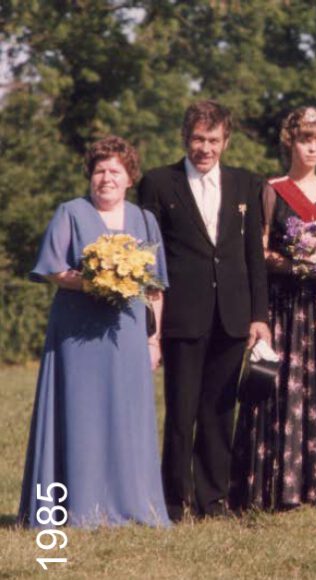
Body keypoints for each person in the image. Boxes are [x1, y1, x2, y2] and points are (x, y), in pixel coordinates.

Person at [18, 136, 170, 528]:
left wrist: (153, 340)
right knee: (80, 415)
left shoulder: (145, 220)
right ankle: (77, 506)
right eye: (100, 170)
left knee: (126, 416)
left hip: (128, 334)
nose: (106, 178)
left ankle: (132, 503)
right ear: (90, 175)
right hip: (77, 334)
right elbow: (53, 268)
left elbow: (155, 289)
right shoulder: (70, 212)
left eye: (115, 171)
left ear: (130, 178)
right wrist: (96, 281)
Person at [138, 100, 270, 520]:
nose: (205, 148)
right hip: (182, 315)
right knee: (181, 411)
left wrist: (259, 316)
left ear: (226, 141)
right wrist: (152, 322)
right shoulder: (159, 183)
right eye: (198, 139)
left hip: (232, 314)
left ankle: (213, 500)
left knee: (220, 411)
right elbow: (148, 258)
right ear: (185, 138)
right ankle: (174, 501)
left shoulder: (246, 183)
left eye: (213, 140)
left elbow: (254, 256)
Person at [230, 106, 316, 510]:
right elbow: (259, 249)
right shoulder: (271, 190)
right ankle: (278, 488)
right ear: (290, 142)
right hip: (286, 306)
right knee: (282, 392)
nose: (312, 149)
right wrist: (297, 263)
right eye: (305, 140)